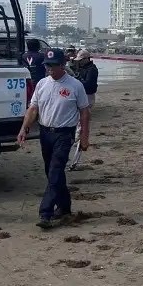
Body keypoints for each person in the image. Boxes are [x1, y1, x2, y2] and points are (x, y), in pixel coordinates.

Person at [16, 48, 91, 229]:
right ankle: (64, 207)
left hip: (64, 134)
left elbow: (84, 112)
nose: (50, 69)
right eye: (47, 65)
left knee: (55, 171)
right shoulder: (42, 84)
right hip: (45, 133)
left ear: (62, 65)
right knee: (51, 172)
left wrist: (84, 136)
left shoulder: (75, 85)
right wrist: (24, 128)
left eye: (53, 65)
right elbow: (33, 108)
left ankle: (46, 213)